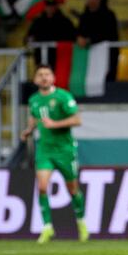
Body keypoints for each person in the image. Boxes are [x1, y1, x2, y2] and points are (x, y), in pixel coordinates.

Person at [20, 64, 89, 244]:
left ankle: (81, 223)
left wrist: (55, 124)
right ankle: (47, 227)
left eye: (47, 74)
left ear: (53, 78)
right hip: (45, 149)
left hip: (65, 149)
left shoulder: (63, 96)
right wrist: (28, 130)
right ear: (35, 79)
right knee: (42, 187)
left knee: (72, 189)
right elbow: (35, 118)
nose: (43, 77)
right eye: (40, 75)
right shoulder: (34, 99)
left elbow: (77, 119)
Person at [26, 0, 76, 66]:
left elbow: (73, 38)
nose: (50, 8)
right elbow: (28, 37)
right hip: (41, 60)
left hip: (60, 60)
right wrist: (30, 39)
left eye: (52, 6)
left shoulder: (65, 22)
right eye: (48, 6)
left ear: (56, 6)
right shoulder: (38, 22)